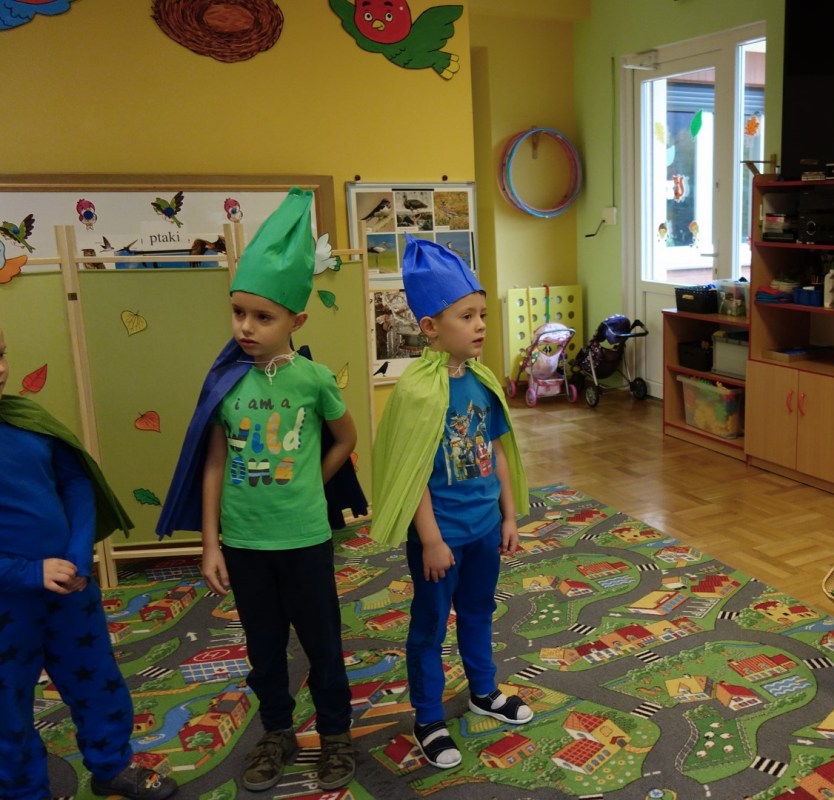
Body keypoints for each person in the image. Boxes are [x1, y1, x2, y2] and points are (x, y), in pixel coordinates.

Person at [158, 188, 366, 792]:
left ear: (296, 321)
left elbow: (346, 439)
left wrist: (310, 483)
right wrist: (211, 543)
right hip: (246, 544)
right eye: (239, 313)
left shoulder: (313, 379)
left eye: (263, 316)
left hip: (304, 539)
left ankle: (335, 734)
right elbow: (214, 464)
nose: (246, 327)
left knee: (323, 645)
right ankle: (277, 731)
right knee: (264, 648)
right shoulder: (227, 382)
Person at [372, 236, 532, 769]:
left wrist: (508, 515)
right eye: (466, 316)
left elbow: (497, 450)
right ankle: (427, 718)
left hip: (484, 527)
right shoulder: (416, 392)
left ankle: (484, 691)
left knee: (480, 612)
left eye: (482, 315)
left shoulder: (482, 382)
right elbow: (413, 472)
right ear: (430, 327)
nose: (480, 325)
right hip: (440, 537)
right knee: (430, 626)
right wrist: (431, 540)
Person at [0, 324, 178, 800]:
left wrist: (79, 554)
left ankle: (111, 765)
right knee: (7, 709)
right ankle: (24, 791)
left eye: (0, 353)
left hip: (69, 589)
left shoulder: (26, 420)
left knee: (97, 681)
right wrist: (27, 572)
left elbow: (75, 482)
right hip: (6, 606)